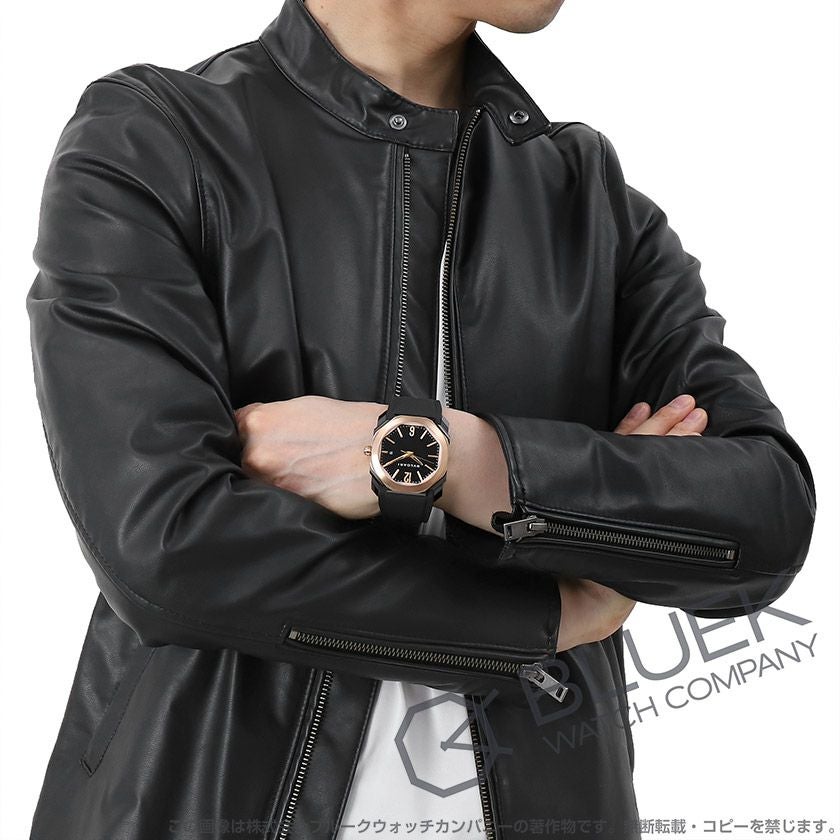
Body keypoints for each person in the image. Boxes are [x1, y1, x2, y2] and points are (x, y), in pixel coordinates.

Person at [24, 0, 816, 838]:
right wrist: (547, 615)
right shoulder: (155, 142)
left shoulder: (591, 207)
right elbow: (167, 545)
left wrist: (449, 458)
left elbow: (760, 520)